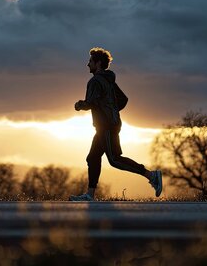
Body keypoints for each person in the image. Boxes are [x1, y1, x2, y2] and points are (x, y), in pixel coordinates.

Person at [69, 47, 162, 201]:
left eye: (90, 61)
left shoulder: (95, 81)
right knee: (92, 158)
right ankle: (90, 195)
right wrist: (111, 110)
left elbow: (91, 103)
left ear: (98, 63)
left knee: (114, 159)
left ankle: (152, 175)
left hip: (106, 126)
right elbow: (123, 100)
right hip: (109, 125)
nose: (87, 64)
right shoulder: (109, 80)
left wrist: (80, 105)